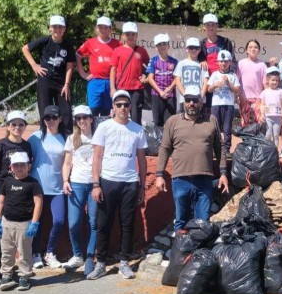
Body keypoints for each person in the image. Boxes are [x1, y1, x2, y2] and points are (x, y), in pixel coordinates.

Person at [88, 90, 148, 280]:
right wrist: (96, 184)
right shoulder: (104, 127)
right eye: (119, 104)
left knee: (128, 224)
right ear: (113, 107)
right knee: (103, 224)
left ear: (130, 107)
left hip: (130, 182)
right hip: (108, 181)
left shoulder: (138, 129)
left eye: (126, 104)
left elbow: (142, 160)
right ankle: (101, 263)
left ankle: (124, 263)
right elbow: (96, 158)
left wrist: (142, 185)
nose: (123, 108)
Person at [155, 84, 229, 232]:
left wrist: (223, 173)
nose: (191, 104)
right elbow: (164, 149)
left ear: (201, 102)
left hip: (204, 179)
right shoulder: (173, 122)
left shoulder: (211, 120)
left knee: (202, 222)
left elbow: (219, 148)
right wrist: (159, 175)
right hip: (180, 179)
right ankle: (181, 254)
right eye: (188, 100)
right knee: (181, 221)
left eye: (195, 100)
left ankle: (199, 254)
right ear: (184, 102)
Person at [0, 151, 43, 291]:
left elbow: (38, 203)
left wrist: (34, 222)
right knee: (7, 251)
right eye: (16, 165)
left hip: (25, 224)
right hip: (7, 223)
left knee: (24, 252)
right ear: (11, 168)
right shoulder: (7, 182)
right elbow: (1, 202)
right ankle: (7, 275)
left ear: (29, 166)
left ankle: (24, 276)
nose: (19, 168)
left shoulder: (33, 183)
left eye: (22, 165)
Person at [28, 105, 68, 270]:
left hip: (58, 187)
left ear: (60, 119)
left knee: (58, 220)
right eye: (47, 118)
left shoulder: (66, 138)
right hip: (38, 187)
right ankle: (35, 253)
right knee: (37, 222)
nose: (50, 121)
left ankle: (50, 252)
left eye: (54, 117)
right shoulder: (36, 137)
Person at [21, 15, 75, 131]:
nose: (57, 30)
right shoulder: (44, 41)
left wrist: (67, 84)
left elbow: (70, 66)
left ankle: (67, 139)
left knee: (65, 111)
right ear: (50, 28)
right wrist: (34, 65)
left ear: (64, 29)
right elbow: (25, 49)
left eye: (60, 27)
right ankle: (45, 136)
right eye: (55, 27)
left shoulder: (68, 45)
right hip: (45, 80)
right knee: (45, 110)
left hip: (61, 82)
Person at [62, 105, 98, 271]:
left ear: (91, 118)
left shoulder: (99, 136)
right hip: (76, 183)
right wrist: (65, 180)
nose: (82, 120)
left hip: (95, 184)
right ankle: (78, 255)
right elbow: (67, 162)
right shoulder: (72, 138)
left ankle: (90, 257)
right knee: (74, 223)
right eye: (78, 118)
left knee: (93, 222)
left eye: (85, 117)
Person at [0, 111, 33, 223]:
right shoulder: (0, 145)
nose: (17, 127)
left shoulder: (27, 146)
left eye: (21, 124)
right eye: (13, 124)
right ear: (7, 126)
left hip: (15, 193)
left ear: (25, 126)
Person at [76, 16, 121, 117]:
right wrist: (82, 73)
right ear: (96, 28)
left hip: (111, 82)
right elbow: (77, 55)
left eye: (106, 27)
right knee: (93, 112)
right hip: (95, 81)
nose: (103, 30)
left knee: (109, 113)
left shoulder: (118, 44)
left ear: (110, 29)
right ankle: (92, 132)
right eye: (100, 27)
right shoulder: (90, 43)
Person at [109, 21, 150, 124]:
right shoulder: (117, 51)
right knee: (120, 117)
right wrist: (113, 88)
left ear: (136, 35)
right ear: (123, 36)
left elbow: (150, 67)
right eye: (128, 34)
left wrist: (146, 78)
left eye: (133, 34)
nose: (130, 36)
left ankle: (136, 139)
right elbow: (113, 70)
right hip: (121, 88)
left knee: (136, 118)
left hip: (137, 89)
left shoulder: (142, 51)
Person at [197, 13, 235, 118]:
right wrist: (201, 60)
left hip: (223, 81)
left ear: (217, 26)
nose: (211, 27)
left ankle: (222, 132)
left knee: (222, 111)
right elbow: (197, 58)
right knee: (207, 110)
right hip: (208, 82)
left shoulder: (226, 42)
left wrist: (230, 76)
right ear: (204, 27)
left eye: (213, 24)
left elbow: (233, 60)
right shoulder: (201, 44)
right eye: (208, 25)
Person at [207, 50, 240, 155]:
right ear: (218, 62)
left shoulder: (232, 75)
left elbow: (237, 90)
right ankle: (214, 148)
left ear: (230, 62)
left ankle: (226, 149)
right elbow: (209, 89)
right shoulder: (214, 74)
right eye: (221, 61)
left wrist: (228, 83)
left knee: (227, 128)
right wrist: (216, 85)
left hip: (228, 105)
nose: (223, 63)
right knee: (215, 127)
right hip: (216, 104)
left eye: (226, 61)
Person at [146, 33, 178, 127]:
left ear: (168, 45)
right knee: (157, 122)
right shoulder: (153, 60)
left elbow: (177, 78)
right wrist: (160, 91)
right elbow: (150, 79)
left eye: (164, 44)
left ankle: (169, 141)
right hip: (156, 94)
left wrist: (171, 88)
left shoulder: (174, 61)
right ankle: (158, 142)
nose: (162, 46)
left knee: (171, 122)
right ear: (156, 47)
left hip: (171, 94)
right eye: (159, 44)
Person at [237, 39, 266, 126]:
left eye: (255, 47)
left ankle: (256, 140)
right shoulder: (241, 63)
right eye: (250, 47)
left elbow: (265, 84)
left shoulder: (262, 65)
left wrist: (262, 100)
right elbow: (236, 82)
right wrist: (239, 95)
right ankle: (245, 140)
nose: (253, 49)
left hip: (258, 99)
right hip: (244, 98)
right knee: (244, 123)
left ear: (259, 50)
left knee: (258, 122)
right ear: (246, 50)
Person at [174, 37, 207, 111]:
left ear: (200, 49)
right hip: (184, 100)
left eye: (196, 48)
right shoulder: (181, 63)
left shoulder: (202, 64)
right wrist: (185, 95)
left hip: (199, 100)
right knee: (184, 121)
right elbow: (177, 80)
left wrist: (201, 96)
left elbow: (205, 82)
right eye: (191, 48)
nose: (194, 50)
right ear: (186, 49)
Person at [259, 67, 282, 150]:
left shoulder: (281, 91)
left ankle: (275, 151)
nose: (274, 82)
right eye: (273, 80)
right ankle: (267, 150)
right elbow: (262, 104)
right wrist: (262, 114)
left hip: (278, 117)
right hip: (268, 117)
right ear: (268, 80)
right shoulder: (264, 92)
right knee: (268, 134)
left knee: (276, 135)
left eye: (276, 81)